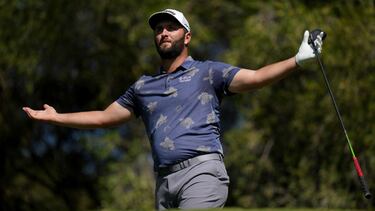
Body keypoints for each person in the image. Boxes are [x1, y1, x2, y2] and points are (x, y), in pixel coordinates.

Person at [23, 8, 323, 210]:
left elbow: (256, 78)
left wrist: (297, 60)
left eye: (171, 28)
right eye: (159, 29)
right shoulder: (142, 87)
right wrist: (56, 117)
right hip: (164, 183)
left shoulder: (209, 73)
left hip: (203, 173)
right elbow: (104, 117)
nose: (164, 32)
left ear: (187, 37)